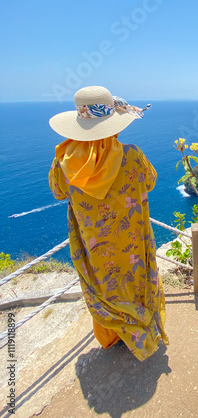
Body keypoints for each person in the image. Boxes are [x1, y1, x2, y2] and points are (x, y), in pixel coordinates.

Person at [48, 85, 168, 361]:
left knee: (102, 285)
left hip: (95, 246)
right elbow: (149, 181)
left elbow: (58, 192)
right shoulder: (133, 156)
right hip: (133, 241)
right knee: (136, 280)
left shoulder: (63, 163)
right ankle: (142, 327)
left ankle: (111, 336)